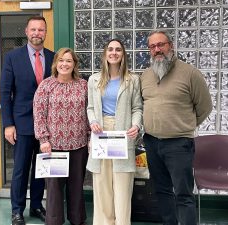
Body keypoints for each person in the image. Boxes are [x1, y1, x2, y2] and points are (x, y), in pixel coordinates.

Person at [141, 29, 212, 225]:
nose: (157, 50)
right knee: (162, 191)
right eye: (152, 46)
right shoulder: (145, 76)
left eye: (161, 44)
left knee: (183, 194)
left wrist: (184, 126)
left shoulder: (190, 73)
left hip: (179, 144)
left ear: (170, 46)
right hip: (152, 142)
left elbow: (205, 107)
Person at [0, 16, 55, 225]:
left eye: (41, 30)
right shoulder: (13, 57)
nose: (37, 33)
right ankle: (17, 210)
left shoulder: (53, 57)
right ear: (26, 31)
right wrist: (8, 124)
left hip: (47, 125)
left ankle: (36, 206)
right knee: (21, 169)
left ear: (45, 33)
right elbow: (5, 93)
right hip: (21, 123)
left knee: (42, 167)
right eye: (33, 29)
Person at [87, 39, 143, 225]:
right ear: (105, 54)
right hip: (101, 132)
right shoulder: (94, 80)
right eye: (110, 49)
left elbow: (137, 108)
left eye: (118, 50)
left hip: (123, 132)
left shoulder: (133, 80)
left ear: (123, 54)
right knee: (102, 185)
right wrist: (93, 121)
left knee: (122, 185)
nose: (114, 53)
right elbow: (90, 107)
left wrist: (136, 125)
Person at [33, 48, 89, 225]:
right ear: (55, 64)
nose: (65, 64)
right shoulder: (46, 85)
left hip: (78, 145)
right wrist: (43, 139)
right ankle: (54, 221)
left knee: (76, 186)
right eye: (61, 60)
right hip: (54, 146)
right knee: (55, 190)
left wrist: (89, 138)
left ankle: (77, 219)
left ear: (74, 65)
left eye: (69, 61)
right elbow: (39, 113)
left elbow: (89, 112)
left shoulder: (83, 85)